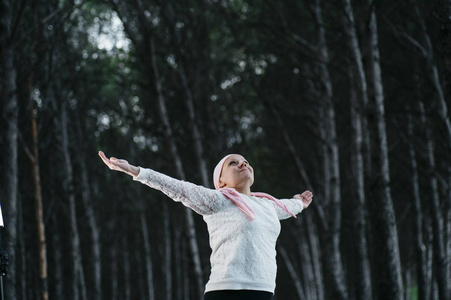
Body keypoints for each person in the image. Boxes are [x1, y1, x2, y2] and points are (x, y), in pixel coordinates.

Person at [99, 151, 313, 300]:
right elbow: (178, 188)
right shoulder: (219, 200)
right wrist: (137, 171)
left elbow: (287, 207)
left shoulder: (267, 205)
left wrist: (299, 203)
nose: (242, 163)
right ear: (220, 182)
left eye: (245, 161)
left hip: (263, 291)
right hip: (227, 292)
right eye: (233, 163)